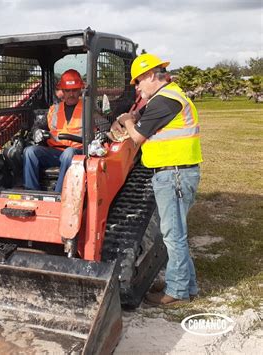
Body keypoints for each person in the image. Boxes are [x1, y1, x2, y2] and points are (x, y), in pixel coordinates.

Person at [111, 53, 203, 306]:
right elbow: (143, 120)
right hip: (174, 173)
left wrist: (127, 121)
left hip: (173, 175)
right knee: (175, 233)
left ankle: (178, 292)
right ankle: (186, 284)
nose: (138, 87)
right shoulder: (167, 98)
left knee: (173, 236)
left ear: (152, 75)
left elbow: (138, 137)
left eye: (139, 81)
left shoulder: (165, 101)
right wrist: (128, 118)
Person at [23, 69, 84, 193]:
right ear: (62, 91)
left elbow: (104, 124)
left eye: (74, 90)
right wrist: (36, 132)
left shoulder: (89, 108)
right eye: (67, 90)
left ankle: (59, 194)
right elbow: (37, 126)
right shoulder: (54, 110)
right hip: (55, 153)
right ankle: (32, 192)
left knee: (68, 153)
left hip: (78, 153)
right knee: (30, 152)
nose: (71, 94)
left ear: (80, 90)